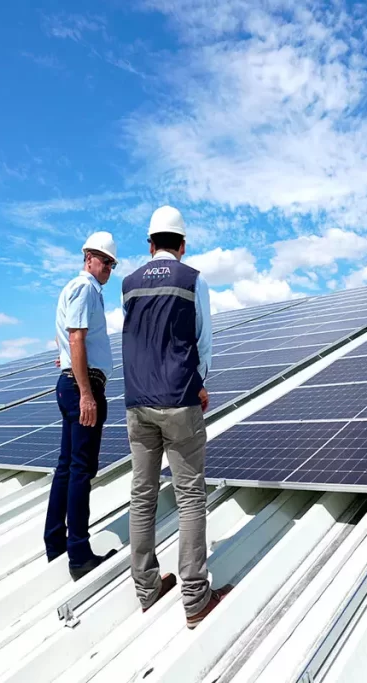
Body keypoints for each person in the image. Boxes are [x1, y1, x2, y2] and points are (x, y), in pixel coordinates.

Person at [122, 205, 232, 629]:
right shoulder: (191, 280)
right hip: (179, 400)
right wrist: (199, 382)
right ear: (182, 246)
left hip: (137, 402)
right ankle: (194, 596)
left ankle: (147, 587)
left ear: (150, 245)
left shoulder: (129, 285)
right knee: (190, 498)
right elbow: (203, 340)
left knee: (142, 495)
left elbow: (138, 337)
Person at [45, 231, 119, 581]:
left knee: (66, 467)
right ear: (88, 257)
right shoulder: (85, 287)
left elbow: (66, 338)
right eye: (105, 261)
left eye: (112, 264)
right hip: (82, 388)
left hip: (74, 384)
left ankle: (56, 544)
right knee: (80, 470)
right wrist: (87, 394)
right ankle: (78, 554)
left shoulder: (79, 289)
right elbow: (75, 337)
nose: (108, 268)